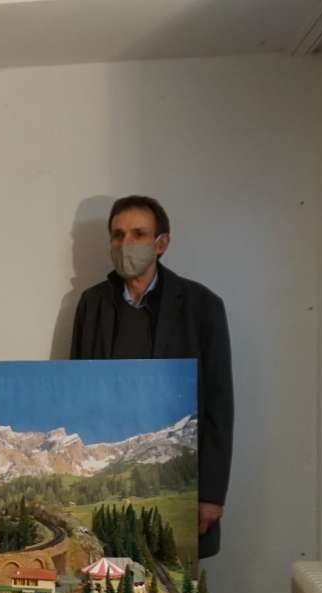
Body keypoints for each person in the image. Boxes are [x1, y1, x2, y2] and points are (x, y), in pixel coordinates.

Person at [70, 195, 233, 558]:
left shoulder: (202, 306)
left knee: (172, 576)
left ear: (161, 243)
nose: (126, 243)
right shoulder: (92, 304)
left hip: (178, 474)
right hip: (109, 468)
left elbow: (219, 405)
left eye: (138, 234)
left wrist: (211, 494)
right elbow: (78, 391)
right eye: (118, 235)